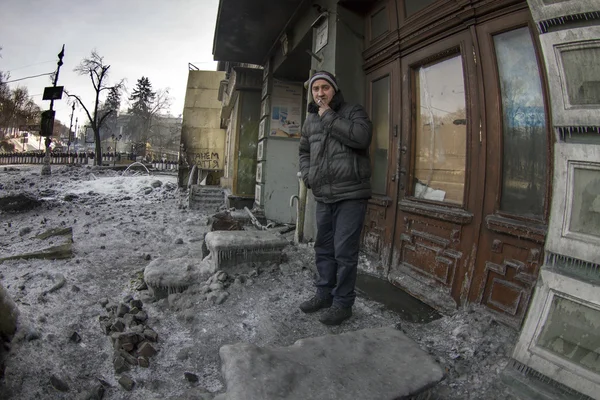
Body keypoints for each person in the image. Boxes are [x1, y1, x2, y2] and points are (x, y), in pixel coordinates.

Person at [298, 71, 373, 325]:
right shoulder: (310, 121)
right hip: (323, 194)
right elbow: (304, 151)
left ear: (334, 90)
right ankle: (324, 294)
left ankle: (343, 303)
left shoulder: (353, 112)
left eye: (325, 88)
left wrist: (328, 115)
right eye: (315, 89)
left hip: (351, 194)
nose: (320, 93)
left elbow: (361, 138)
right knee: (323, 249)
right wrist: (308, 176)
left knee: (344, 252)